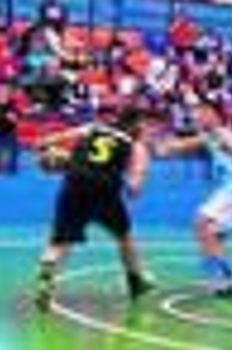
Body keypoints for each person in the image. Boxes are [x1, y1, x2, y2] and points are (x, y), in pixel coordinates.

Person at [33, 106, 155, 310]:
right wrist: (131, 182)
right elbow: (134, 188)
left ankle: (48, 273)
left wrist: (53, 155)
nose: (147, 130)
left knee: (59, 241)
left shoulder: (94, 128)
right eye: (145, 126)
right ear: (135, 125)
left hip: (74, 182)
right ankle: (136, 281)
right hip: (105, 189)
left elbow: (46, 142)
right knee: (124, 237)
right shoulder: (135, 146)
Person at [160, 100, 232, 296]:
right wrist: (161, 145)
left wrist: (222, 144)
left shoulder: (222, 134)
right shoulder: (210, 136)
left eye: (203, 113)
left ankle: (221, 277)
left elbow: (228, 145)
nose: (198, 117)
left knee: (201, 222)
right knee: (212, 235)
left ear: (215, 115)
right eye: (197, 113)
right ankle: (225, 277)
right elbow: (178, 146)